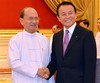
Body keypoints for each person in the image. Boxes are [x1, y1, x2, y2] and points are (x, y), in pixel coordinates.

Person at [39, 1, 96, 83]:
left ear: (76, 15)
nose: (67, 16)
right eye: (63, 14)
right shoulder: (56, 36)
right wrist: (48, 71)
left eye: (70, 13)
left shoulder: (86, 35)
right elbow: (55, 60)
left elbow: (90, 66)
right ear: (58, 18)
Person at [8, 7, 54, 83]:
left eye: (36, 18)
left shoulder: (44, 39)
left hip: (42, 80)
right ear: (21, 21)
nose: (34, 21)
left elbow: (49, 61)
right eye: (30, 18)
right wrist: (36, 71)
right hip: (23, 80)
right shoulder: (15, 40)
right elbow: (14, 63)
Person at [95, 18, 100, 83]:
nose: (98, 24)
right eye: (97, 23)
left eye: (99, 23)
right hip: (96, 58)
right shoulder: (97, 34)